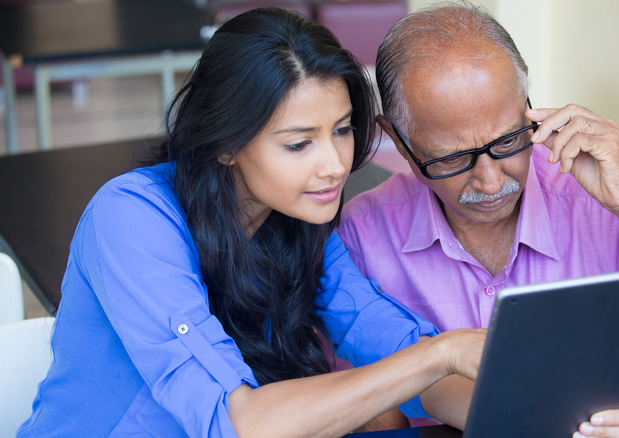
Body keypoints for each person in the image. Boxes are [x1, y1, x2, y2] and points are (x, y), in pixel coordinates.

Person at [17, 8, 492, 438]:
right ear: (226, 143)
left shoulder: (297, 223)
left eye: (342, 130)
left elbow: (388, 339)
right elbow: (235, 421)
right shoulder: (131, 217)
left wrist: (532, 416)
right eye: (298, 143)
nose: (334, 165)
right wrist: (438, 353)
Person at [336, 1, 619, 428]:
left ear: (529, 103)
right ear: (397, 139)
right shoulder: (360, 236)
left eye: (509, 140)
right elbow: (360, 404)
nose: (491, 182)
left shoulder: (617, 197)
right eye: (452, 159)